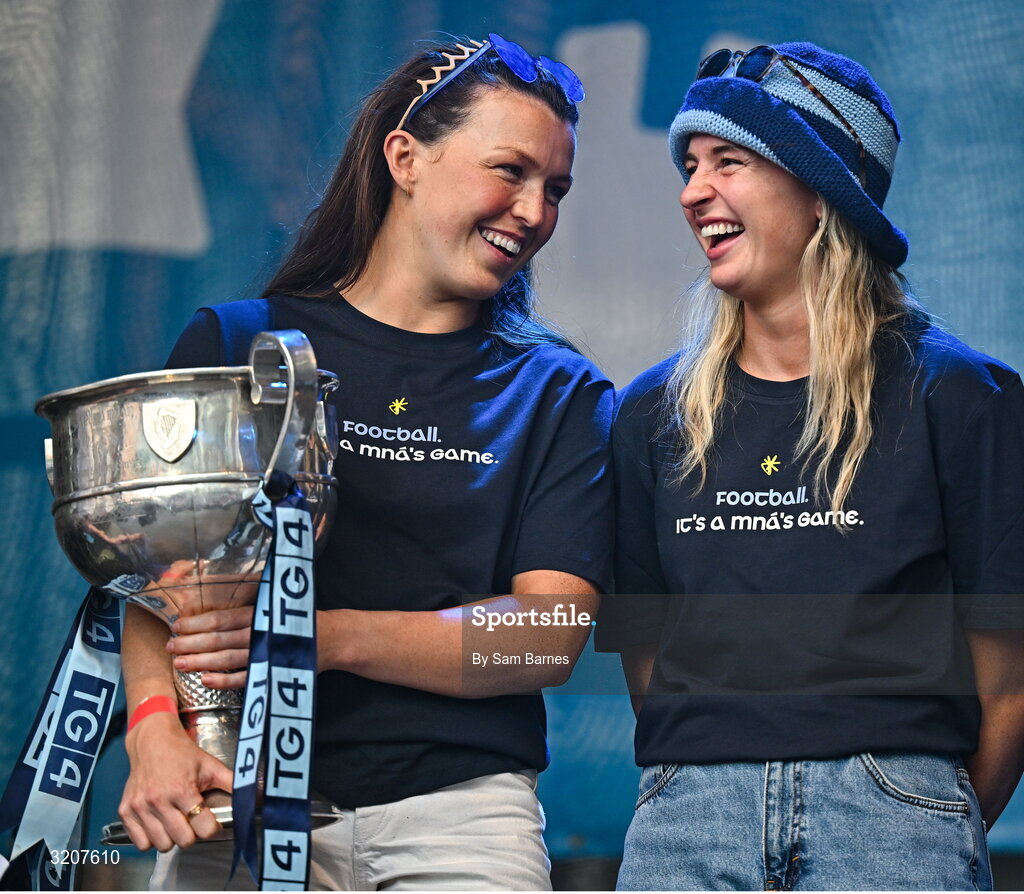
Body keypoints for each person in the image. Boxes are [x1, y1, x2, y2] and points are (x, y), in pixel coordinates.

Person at [117, 34, 612, 891]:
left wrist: (327, 636)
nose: (534, 211)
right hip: (235, 792)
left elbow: (545, 640)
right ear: (405, 156)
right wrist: (156, 729)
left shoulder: (560, 392)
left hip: (460, 815)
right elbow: (160, 581)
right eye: (511, 170)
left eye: (555, 188)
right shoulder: (235, 344)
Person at [596, 42, 1024, 890]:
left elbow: (1008, 683)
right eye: (689, 164)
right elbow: (645, 661)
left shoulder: (964, 398)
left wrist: (915, 819)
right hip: (688, 821)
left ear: (822, 187)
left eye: (729, 160)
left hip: (895, 818)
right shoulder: (650, 417)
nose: (692, 191)